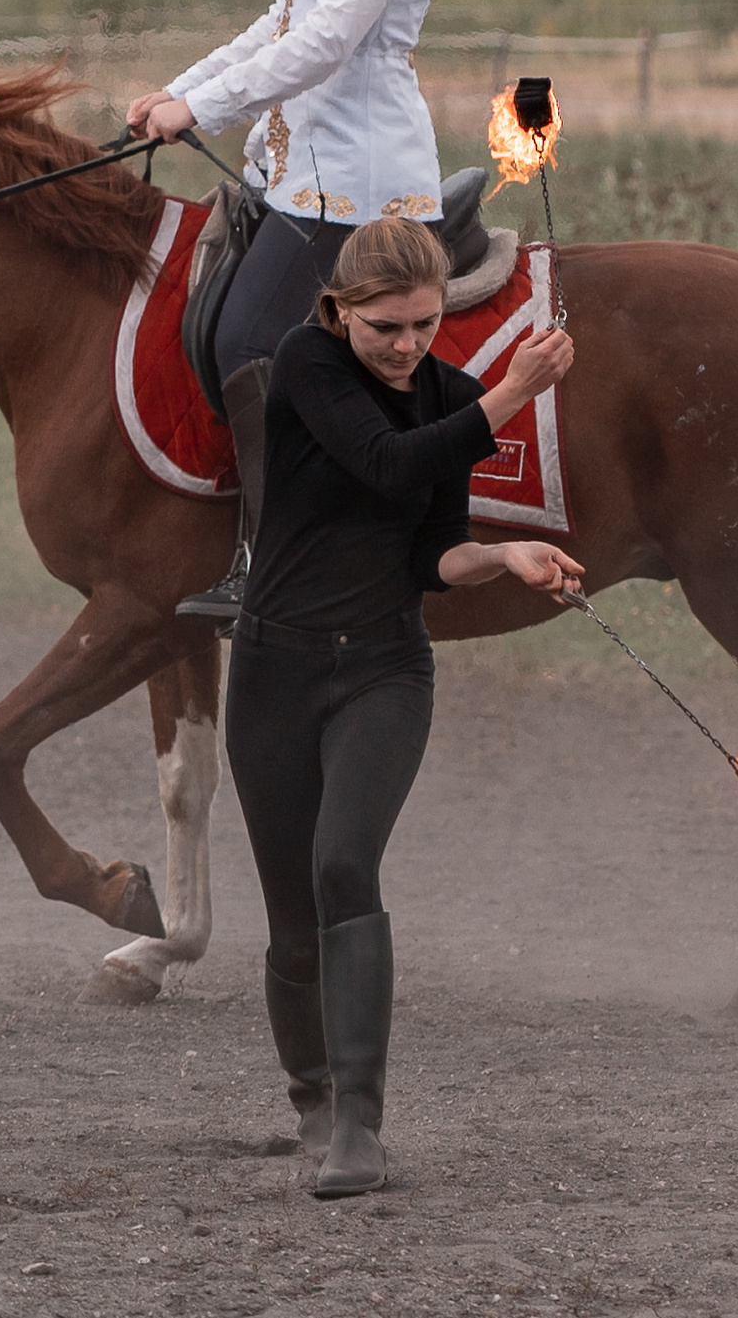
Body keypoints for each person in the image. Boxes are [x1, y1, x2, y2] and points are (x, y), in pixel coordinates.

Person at [224, 218, 577, 1198]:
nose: (406, 345)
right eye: (385, 326)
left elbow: (434, 553)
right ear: (340, 312)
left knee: (345, 864)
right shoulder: (305, 363)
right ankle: (308, 1092)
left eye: (424, 325)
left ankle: (357, 1126)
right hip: (272, 672)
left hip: (384, 670)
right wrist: (514, 392)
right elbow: (383, 462)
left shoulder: (452, 397)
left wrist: (503, 555)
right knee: (292, 919)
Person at [125, 0, 494, 621]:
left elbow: (328, 42)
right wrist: (179, 91)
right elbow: (279, 21)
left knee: (255, 340)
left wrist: (198, 106)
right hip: (295, 164)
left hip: (352, 176)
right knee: (216, 323)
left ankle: (275, 555)